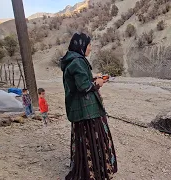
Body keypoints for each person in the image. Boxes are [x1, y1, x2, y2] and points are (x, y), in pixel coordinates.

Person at [61, 32, 117, 180]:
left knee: (85, 141)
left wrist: (93, 78)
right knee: (93, 138)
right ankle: (95, 172)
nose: (90, 48)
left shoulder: (73, 60)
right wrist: (97, 84)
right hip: (87, 111)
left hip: (81, 110)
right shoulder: (77, 62)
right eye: (89, 45)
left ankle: (87, 170)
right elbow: (83, 87)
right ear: (82, 46)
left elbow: (78, 81)